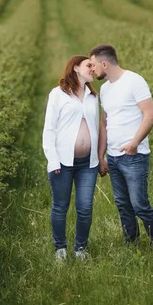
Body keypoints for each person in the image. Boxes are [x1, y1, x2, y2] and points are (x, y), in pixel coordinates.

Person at [89, 44, 153, 254]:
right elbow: (104, 124)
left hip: (134, 156)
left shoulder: (134, 81)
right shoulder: (105, 89)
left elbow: (151, 115)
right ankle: (132, 244)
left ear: (104, 63)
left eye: (94, 65)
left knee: (140, 205)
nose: (92, 69)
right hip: (113, 158)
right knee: (123, 205)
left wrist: (134, 144)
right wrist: (101, 155)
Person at [42, 55, 99, 261]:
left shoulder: (93, 97)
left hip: (88, 163)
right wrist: (53, 159)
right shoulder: (58, 95)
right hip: (63, 162)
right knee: (61, 206)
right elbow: (49, 129)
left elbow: (97, 128)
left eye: (93, 66)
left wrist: (100, 157)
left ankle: (81, 249)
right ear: (76, 68)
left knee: (85, 207)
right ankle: (61, 249)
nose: (93, 69)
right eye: (88, 65)